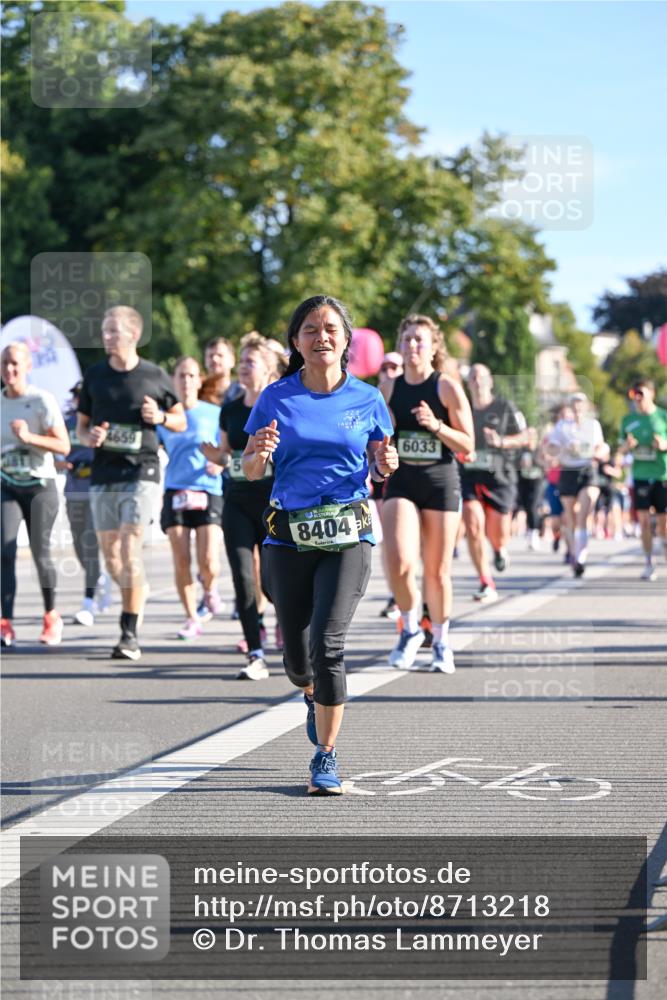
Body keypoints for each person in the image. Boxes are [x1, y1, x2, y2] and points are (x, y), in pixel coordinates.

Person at [243, 294, 397, 795]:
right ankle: (310, 691)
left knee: (329, 644)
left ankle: (325, 757)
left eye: (331, 328)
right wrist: (259, 454)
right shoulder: (276, 397)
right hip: (288, 536)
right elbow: (250, 469)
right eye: (310, 329)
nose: (321, 336)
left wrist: (383, 466)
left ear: (347, 340)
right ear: (295, 341)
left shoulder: (369, 399)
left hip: (349, 533)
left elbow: (379, 462)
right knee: (296, 660)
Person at [76, 306, 186, 660]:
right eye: (105, 331)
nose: (106, 337)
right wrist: (89, 436)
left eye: (113, 331)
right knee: (112, 558)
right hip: (104, 472)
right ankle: (134, 592)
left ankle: (129, 632)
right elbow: (80, 427)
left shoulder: (154, 375)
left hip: (143, 470)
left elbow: (181, 421)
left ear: (133, 335)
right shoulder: (94, 376)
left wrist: (162, 416)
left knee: (129, 547)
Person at [380, 316, 473, 673]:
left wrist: (436, 425)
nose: (412, 346)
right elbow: (376, 439)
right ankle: (409, 626)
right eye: (406, 340)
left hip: (440, 481)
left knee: (436, 571)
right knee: (399, 561)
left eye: (419, 340)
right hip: (402, 480)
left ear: (434, 347)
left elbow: (468, 442)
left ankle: (442, 640)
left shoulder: (445, 386)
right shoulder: (389, 388)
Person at [201, 334, 276, 678]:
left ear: (269, 370)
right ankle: (255, 652)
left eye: (251, 362)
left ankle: (291, 628)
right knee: (244, 579)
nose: (243, 368)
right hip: (237, 502)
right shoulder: (229, 411)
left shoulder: (279, 408)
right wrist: (213, 456)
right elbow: (227, 455)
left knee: (274, 583)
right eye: (242, 362)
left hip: (274, 504)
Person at [1, 341, 70, 646]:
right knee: (4, 550)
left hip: (40, 486)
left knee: (41, 553)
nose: (9, 369)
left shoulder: (41, 401)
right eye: (4, 364)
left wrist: (29, 437)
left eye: (15, 363)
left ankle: (51, 615)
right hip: (7, 484)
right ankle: (5, 622)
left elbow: (63, 446)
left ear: (28, 366)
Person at [157, 357, 223, 639]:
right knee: (181, 559)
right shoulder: (166, 418)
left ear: (199, 381)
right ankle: (191, 617)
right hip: (176, 489)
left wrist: (220, 463)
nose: (186, 381)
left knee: (208, 560)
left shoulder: (213, 412)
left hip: (208, 489)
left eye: (191, 376)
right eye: (181, 375)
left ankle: (209, 589)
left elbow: (227, 447)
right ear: (174, 380)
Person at [460, 364, 527, 602]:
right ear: (468, 384)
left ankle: (499, 549)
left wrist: (501, 441)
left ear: (490, 381)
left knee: (496, 532)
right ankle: (485, 580)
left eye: (481, 377)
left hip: (500, 477)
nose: (477, 381)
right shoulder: (462, 408)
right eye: (473, 377)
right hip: (469, 475)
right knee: (473, 522)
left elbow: (527, 436)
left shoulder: (505, 407)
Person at [56, 382, 109, 626]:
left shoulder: (101, 423)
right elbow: (56, 452)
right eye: (76, 397)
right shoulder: (66, 424)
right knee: (79, 544)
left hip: (97, 487)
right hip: (73, 488)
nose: (79, 401)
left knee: (90, 543)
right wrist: (59, 463)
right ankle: (97, 577)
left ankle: (88, 602)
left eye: (82, 396)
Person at [547, 392, 605, 577]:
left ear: (586, 407)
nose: (578, 407)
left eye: (581, 404)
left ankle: (581, 555)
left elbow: (601, 447)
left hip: (587, 470)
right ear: (571, 407)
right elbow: (551, 447)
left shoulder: (593, 425)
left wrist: (600, 452)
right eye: (575, 404)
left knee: (584, 510)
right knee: (570, 517)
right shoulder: (562, 426)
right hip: (568, 471)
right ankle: (574, 554)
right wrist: (565, 448)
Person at [619, 379, 667, 580]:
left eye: (641, 394)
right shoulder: (628, 420)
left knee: (663, 523)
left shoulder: (663, 417)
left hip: (662, 475)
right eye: (634, 395)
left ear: (651, 394)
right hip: (640, 476)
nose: (638, 399)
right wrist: (627, 447)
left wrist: (663, 444)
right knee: (644, 521)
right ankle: (648, 561)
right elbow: (619, 451)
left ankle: (663, 544)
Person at [375, 351, 404, 621]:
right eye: (384, 367)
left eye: (394, 366)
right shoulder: (372, 398)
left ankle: (411, 593)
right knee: (390, 540)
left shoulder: (414, 393)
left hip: (413, 477)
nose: (389, 370)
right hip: (383, 479)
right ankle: (396, 594)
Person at [516, 426, 545, 551]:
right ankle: (530, 531)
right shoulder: (520, 450)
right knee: (527, 507)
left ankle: (534, 533)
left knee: (533, 506)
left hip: (536, 481)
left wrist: (535, 461)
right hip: (523, 481)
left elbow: (545, 464)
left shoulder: (540, 449)